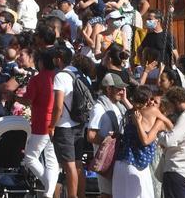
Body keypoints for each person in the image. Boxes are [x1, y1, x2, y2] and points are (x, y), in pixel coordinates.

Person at [112, 85, 170, 198]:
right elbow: (170, 125)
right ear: (148, 100)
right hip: (138, 166)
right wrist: (160, 123)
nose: (153, 103)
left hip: (120, 164)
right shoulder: (153, 112)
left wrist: (125, 100)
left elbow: (134, 109)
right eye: (152, 100)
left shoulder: (129, 114)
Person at [19, 48, 60, 197]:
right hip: (55, 122)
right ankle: (49, 190)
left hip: (41, 123)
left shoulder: (37, 79)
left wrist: (14, 97)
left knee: (30, 157)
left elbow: (28, 100)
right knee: (51, 160)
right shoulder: (57, 77)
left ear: (41, 62)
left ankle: (49, 187)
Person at [51, 47, 87, 198]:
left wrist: (51, 125)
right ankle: (81, 195)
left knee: (69, 165)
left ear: (59, 59)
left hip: (64, 125)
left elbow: (58, 106)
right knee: (78, 163)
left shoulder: (60, 76)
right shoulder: (79, 73)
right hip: (79, 123)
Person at [87, 73, 128, 198]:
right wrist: (110, 141)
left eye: (123, 88)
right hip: (105, 159)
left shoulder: (120, 106)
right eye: (118, 88)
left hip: (117, 157)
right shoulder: (98, 108)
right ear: (108, 89)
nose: (122, 91)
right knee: (107, 193)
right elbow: (91, 135)